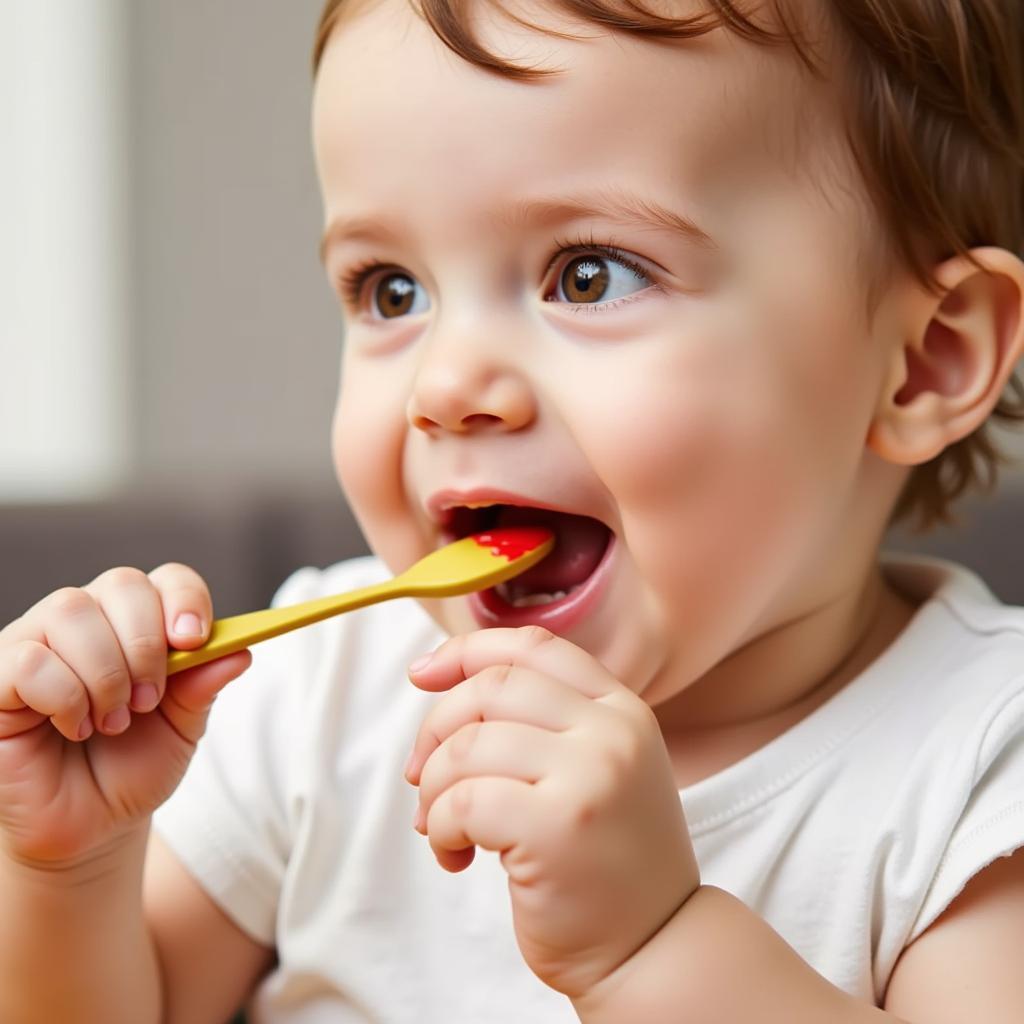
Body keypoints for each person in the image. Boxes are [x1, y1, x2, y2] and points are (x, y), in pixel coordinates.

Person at [2, 0, 1023, 1020]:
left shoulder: (982, 767)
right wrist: (70, 870)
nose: (446, 385)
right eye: (391, 290)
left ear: (926, 359)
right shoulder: (322, 697)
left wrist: (654, 946)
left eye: (588, 274)